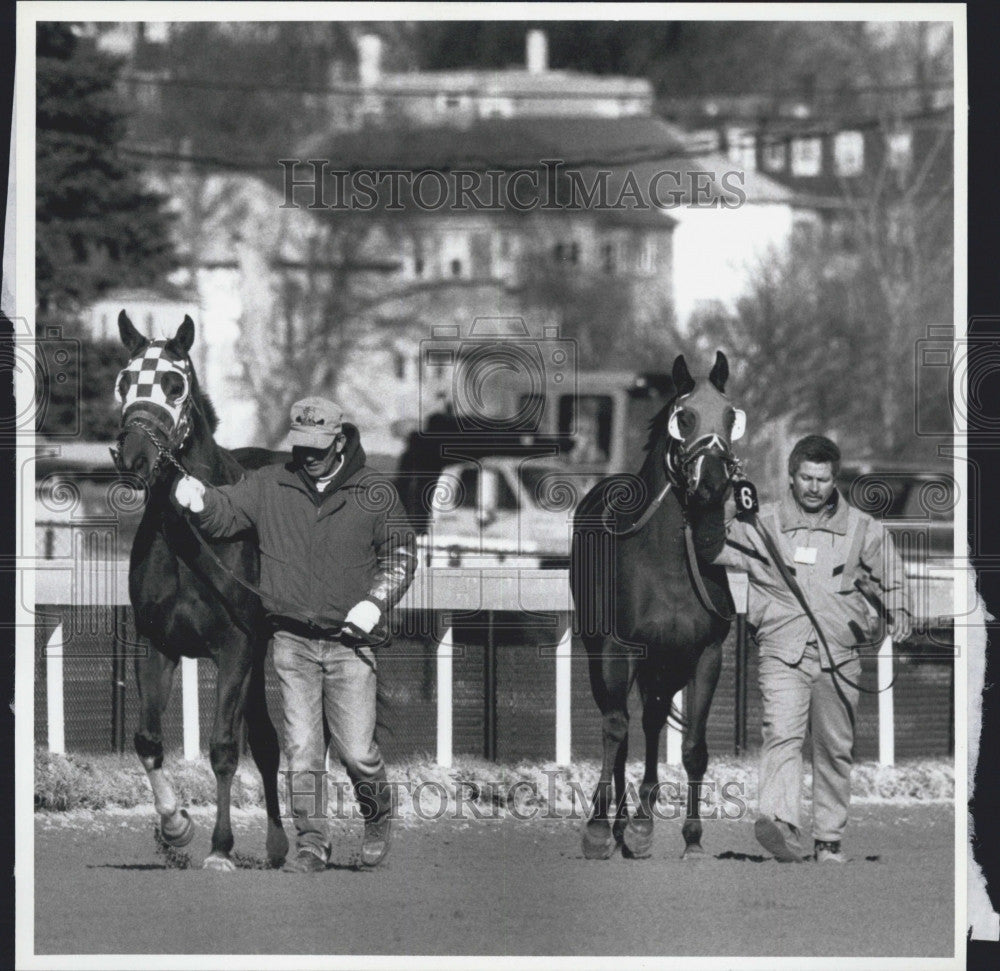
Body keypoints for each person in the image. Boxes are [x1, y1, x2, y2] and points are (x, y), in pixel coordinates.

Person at [174, 396, 417, 873]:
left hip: (351, 644)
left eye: (317, 446)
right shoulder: (269, 484)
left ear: (341, 439)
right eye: (300, 444)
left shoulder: (375, 492)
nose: (307, 454)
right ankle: (311, 843)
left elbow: (402, 555)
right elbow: (227, 514)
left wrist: (372, 605)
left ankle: (377, 813)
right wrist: (199, 499)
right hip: (291, 642)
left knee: (357, 751)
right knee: (303, 750)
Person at [706, 435, 911, 863]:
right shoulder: (762, 523)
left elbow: (891, 572)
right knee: (781, 733)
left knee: (834, 747)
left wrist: (900, 608)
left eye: (822, 479)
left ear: (834, 479)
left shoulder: (861, 528)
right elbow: (710, 541)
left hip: (840, 653)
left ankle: (829, 839)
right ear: (792, 477)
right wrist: (727, 502)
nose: (814, 487)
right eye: (806, 478)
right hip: (783, 650)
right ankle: (779, 823)